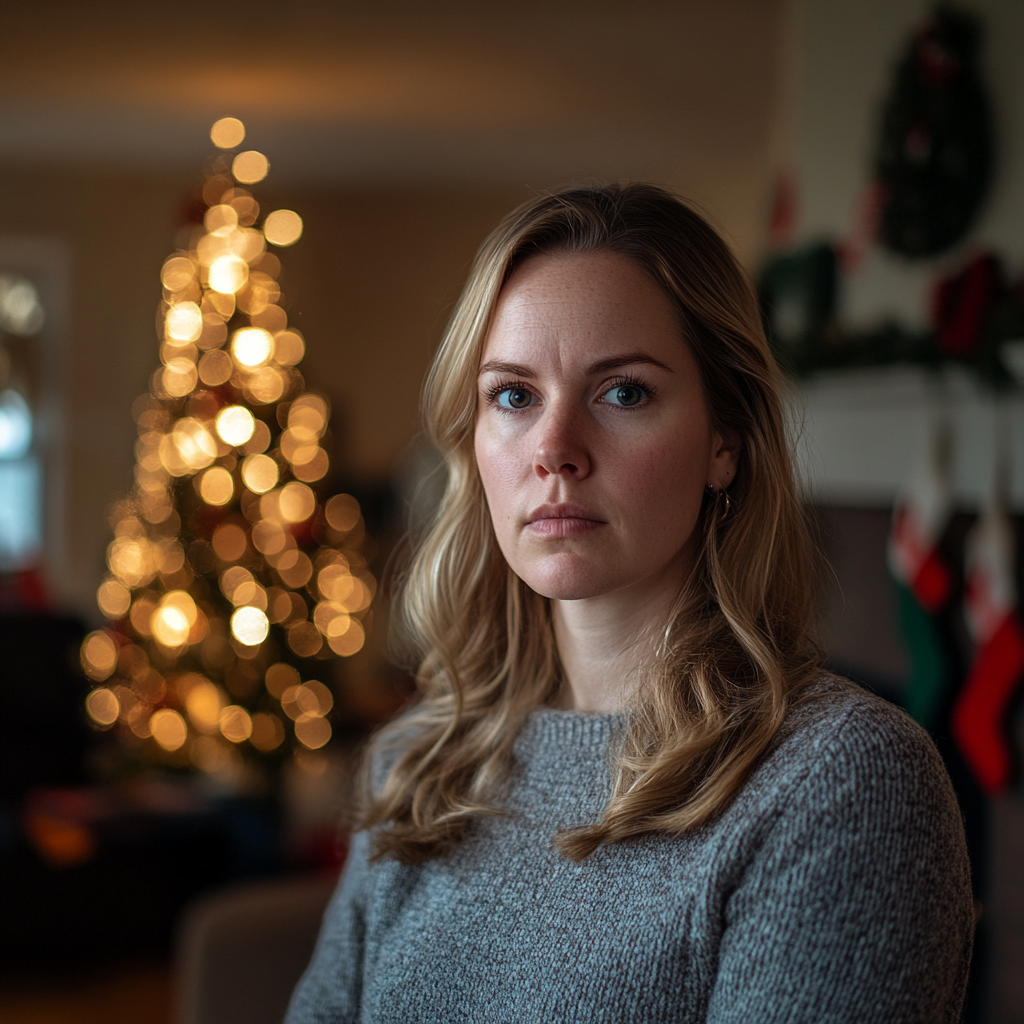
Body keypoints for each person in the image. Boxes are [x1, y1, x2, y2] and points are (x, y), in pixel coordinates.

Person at [285, 184, 973, 1023]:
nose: (555, 450)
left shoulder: (838, 781)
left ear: (728, 440)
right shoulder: (417, 763)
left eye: (624, 393)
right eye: (514, 394)